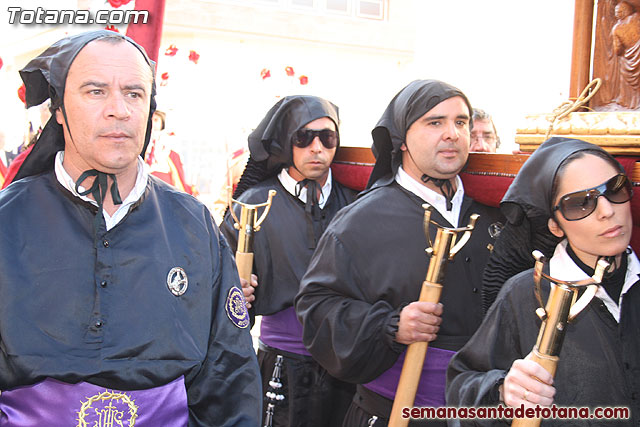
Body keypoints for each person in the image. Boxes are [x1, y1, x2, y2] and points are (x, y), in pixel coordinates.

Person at [0, 30, 261, 426]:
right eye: (95, 91)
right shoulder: (7, 222)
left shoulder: (193, 224)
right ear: (57, 109)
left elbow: (229, 371)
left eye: (134, 93)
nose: (119, 110)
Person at [295, 80, 504, 426]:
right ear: (402, 139)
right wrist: (390, 326)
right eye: (435, 122)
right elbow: (317, 308)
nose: (452, 133)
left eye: (461, 122)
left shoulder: (495, 214)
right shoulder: (360, 221)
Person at [446, 137, 640, 426]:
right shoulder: (524, 295)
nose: (607, 211)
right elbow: (461, 389)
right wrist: (502, 392)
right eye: (579, 203)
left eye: (614, 190)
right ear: (555, 225)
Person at [221, 95, 357, 427]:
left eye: (327, 137)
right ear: (285, 141)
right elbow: (219, 290)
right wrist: (234, 290)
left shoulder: (358, 205)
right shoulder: (251, 205)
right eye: (304, 137)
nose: (317, 147)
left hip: (348, 364)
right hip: (281, 362)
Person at [145, 110, 196, 195]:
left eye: (156, 120)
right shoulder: (142, 138)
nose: (153, 123)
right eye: (152, 120)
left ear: (162, 123)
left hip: (163, 178)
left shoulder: (168, 140)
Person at [611, 1, 640, 109]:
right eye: (617, 12)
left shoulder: (616, 29)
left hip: (629, 57)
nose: (617, 14)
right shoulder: (636, 17)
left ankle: (630, 102)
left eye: (619, 11)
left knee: (624, 70)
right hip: (637, 51)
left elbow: (617, 50)